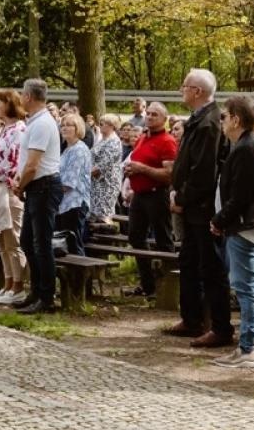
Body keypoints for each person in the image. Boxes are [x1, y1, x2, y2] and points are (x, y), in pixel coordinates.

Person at [211, 95, 254, 370]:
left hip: (244, 226)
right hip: (250, 224)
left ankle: (247, 349)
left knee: (245, 287)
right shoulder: (247, 145)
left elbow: (238, 196)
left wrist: (219, 220)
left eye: (225, 116)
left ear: (237, 119)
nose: (222, 122)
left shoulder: (247, 148)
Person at [166, 68, 231, 347]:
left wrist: (181, 198)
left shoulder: (209, 123)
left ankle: (218, 326)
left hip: (203, 209)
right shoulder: (198, 120)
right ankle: (191, 318)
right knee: (189, 262)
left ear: (198, 91)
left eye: (185, 86)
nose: (182, 90)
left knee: (211, 268)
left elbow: (203, 172)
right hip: (191, 207)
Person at [13, 78, 62, 314]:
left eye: (23, 94)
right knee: (27, 242)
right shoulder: (34, 122)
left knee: (41, 244)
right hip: (35, 187)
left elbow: (33, 165)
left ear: (29, 97)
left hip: (44, 186)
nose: (21, 98)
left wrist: (20, 186)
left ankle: (47, 296)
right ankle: (36, 291)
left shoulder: (43, 123)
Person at [122, 102, 176, 298]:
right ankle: (148, 284)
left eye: (155, 114)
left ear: (164, 119)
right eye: (149, 113)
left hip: (157, 195)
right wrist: (130, 170)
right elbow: (136, 161)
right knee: (135, 237)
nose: (150, 117)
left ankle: (169, 288)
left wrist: (141, 169)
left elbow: (169, 175)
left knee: (163, 239)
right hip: (139, 195)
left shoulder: (167, 141)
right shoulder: (143, 137)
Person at [0, 91, 29, 305]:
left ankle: (19, 284)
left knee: (12, 237)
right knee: (0, 238)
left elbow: (15, 161)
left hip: (10, 189)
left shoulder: (20, 130)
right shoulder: (2, 130)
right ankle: (7, 281)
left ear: (9, 104)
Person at [56, 113, 92, 256]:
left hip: (75, 203)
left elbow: (69, 182)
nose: (64, 128)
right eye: (62, 125)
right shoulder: (67, 149)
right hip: (64, 203)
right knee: (66, 244)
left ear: (77, 128)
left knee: (74, 244)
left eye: (69, 125)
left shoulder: (79, 150)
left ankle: (82, 277)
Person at [89, 115, 124, 224]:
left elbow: (102, 165)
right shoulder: (101, 140)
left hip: (107, 184)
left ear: (112, 126)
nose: (100, 126)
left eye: (103, 123)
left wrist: (83, 175)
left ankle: (109, 238)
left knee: (104, 215)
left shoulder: (114, 142)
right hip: (96, 183)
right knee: (95, 215)